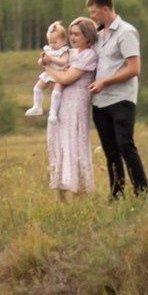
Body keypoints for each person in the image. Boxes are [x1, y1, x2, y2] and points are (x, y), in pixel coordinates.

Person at [84, 0, 147, 199]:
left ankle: (142, 193)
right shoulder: (98, 35)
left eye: (94, 12)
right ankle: (116, 194)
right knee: (110, 151)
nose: (92, 16)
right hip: (100, 103)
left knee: (125, 145)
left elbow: (134, 68)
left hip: (121, 100)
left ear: (105, 8)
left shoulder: (126, 32)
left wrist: (104, 82)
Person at [46, 17, 100, 200]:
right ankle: (61, 193)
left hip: (77, 104)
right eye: (70, 33)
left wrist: (47, 69)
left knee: (75, 144)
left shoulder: (89, 55)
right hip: (62, 104)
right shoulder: (70, 53)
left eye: (77, 34)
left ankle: (80, 191)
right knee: (59, 143)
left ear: (87, 36)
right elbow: (59, 72)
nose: (72, 37)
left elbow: (65, 79)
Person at [23, 20, 71, 119]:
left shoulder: (64, 51)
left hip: (59, 74)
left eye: (55, 42)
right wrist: (42, 61)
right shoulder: (49, 50)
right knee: (37, 88)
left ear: (63, 40)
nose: (52, 45)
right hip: (48, 74)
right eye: (50, 42)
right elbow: (41, 61)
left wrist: (52, 59)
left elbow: (63, 62)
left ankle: (53, 112)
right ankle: (37, 106)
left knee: (56, 92)